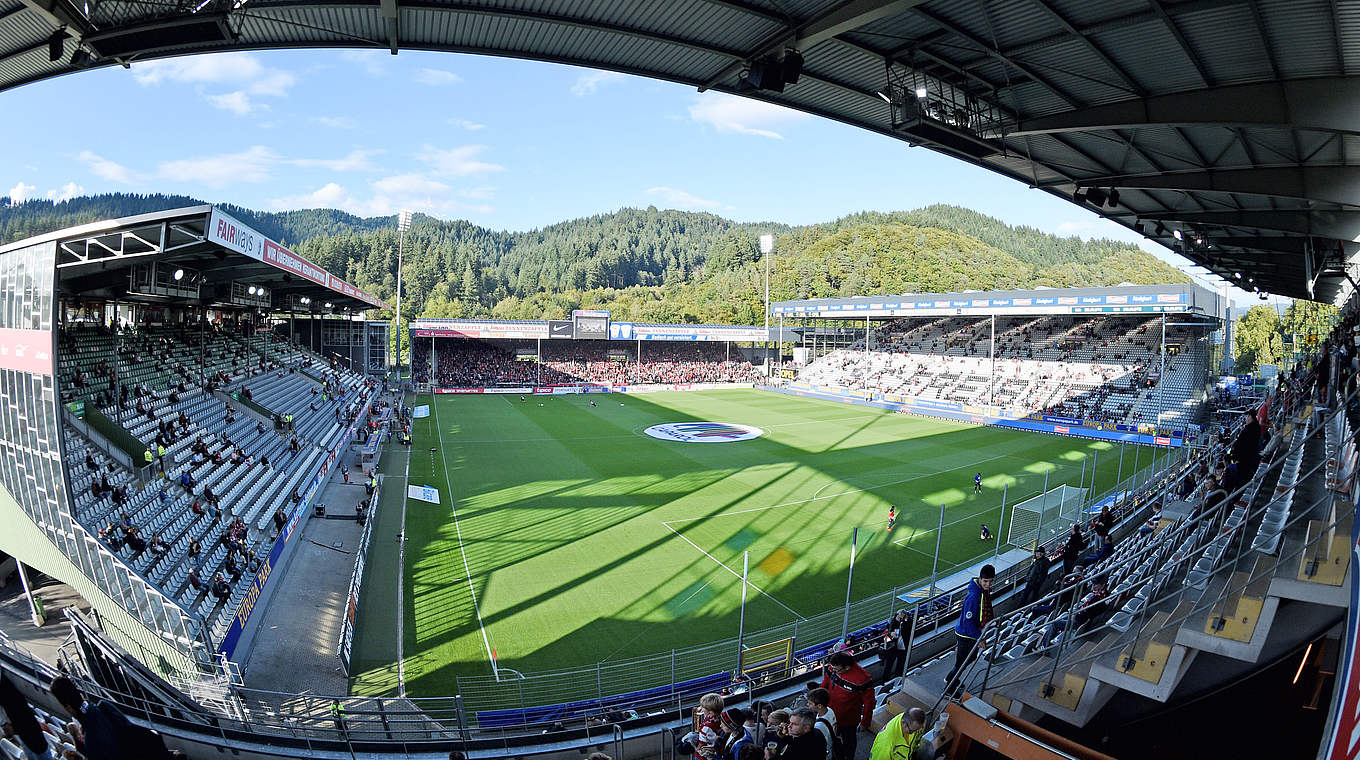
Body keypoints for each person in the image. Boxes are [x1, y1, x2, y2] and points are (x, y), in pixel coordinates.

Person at [945, 564, 994, 693]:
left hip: (972, 633)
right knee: (962, 662)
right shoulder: (973, 597)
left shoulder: (981, 592)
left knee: (969, 659)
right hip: (966, 635)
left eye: (990, 581)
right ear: (980, 578)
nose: (988, 584)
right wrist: (980, 638)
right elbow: (968, 622)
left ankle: (952, 679)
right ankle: (949, 689)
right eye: (985, 581)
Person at [820, 651, 872, 760]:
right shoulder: (834, 667)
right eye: (832, 668)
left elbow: (869, 702)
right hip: (830, 714)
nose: (833, 671)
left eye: (836, 669)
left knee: (849, 742)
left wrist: (865, 722)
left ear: (847, 667)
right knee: (833, 740)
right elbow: (825, 682)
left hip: (848, 719)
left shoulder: (862, 679)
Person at [879, 609, 910, 682]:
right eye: (900, 614)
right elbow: (889, 631)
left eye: (902, 614)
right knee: (888, 665)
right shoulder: (894, 621)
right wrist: (891, 633)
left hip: (903, 648)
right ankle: (885, 681)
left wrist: (904, 621)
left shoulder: (907, 621)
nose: (901, 615)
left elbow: (909, 628)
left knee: (900, 665)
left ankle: (897, 679)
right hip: (893, 648)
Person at [805, 689, 836, 760]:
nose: (807, 705)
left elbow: (822, 742)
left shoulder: (819, 726)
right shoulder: (829, 709)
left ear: (819, 706)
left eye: (810, 703)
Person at [693, 693, 724, 760]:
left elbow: (701, 745)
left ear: (710, 712)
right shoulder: (722, 717)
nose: (701, 709)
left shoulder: (706, 728)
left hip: (703, 756)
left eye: (703, 707)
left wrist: (695, 749)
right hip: (716, 752)